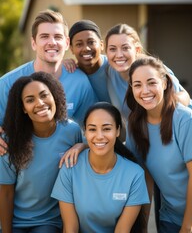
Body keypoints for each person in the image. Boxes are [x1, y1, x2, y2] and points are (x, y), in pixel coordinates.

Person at [0, 9, 97, 155]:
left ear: (66, 43)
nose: (52, 42)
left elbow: (93, 125)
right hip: (18, 166)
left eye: (57, 37)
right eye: (44, 36)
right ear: (34, 43)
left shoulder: (79, 81)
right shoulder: (8, 82)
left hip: (64, 165)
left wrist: (83, 145)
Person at [0, 72, 84, 233]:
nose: (40, 103)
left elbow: (93, 152)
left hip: (49, 221)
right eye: (30, 100)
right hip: (16, 221)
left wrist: (81, 146)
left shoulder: (71, 131)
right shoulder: (9, 141)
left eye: (44, 95)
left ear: (54, 96)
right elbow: (6, 192)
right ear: (23, 108)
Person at [51, 102, 149, 233]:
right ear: (85, 132)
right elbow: (70, 228)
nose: (99, 136)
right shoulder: (70, 167)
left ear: (118, 131)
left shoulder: (135, 174)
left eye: (107, 128)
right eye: (92, 129)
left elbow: (122, 230)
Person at [125, 56, 192, 233]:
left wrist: (187, 226)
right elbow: (144, 177)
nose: (145, 90)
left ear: (164, 83)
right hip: (169, 217)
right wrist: (143, 226)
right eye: (137, 85)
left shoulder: (184, 119)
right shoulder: (135, 123)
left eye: (151, 82)